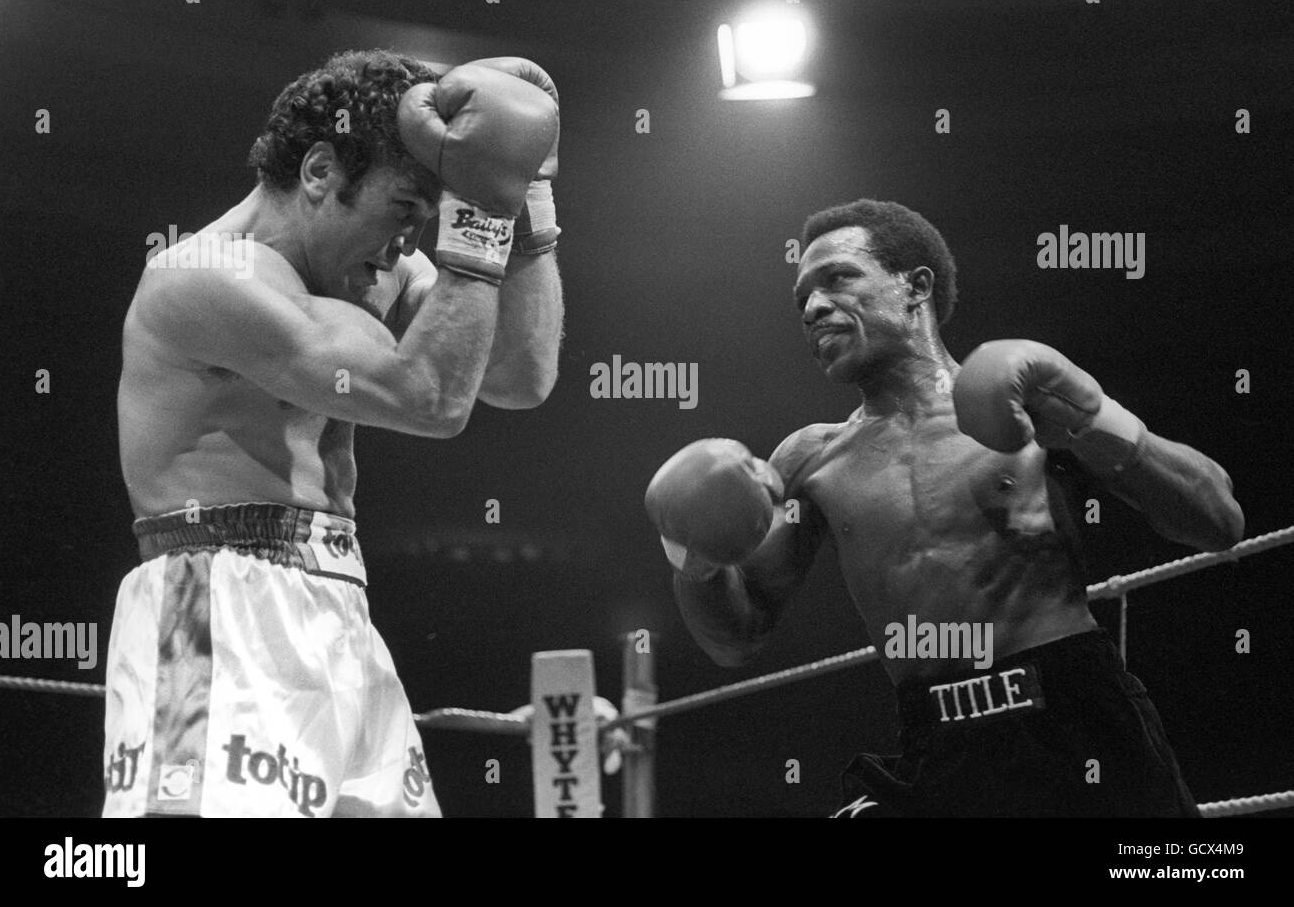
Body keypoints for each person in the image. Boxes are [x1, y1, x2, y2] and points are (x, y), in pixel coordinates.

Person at [646, 199, 1243, 817]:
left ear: (916, 285)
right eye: (802, 298)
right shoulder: (809, 459)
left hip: (1073, 714)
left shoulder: (1027, 401)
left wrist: (1096, 423)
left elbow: (1219, 521)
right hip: (937, 743)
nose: (813, 307)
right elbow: (736, 639)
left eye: (838, 278)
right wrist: (693, 553)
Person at [105, 49, 562, 817]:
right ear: (320, 171)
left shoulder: (381, 271)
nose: (409, 247)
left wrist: (529, 203)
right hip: (219, 603)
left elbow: (520, 377)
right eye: (404, 211)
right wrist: (480, 213)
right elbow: (429, 400)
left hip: (340, 607)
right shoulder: (204, 276)